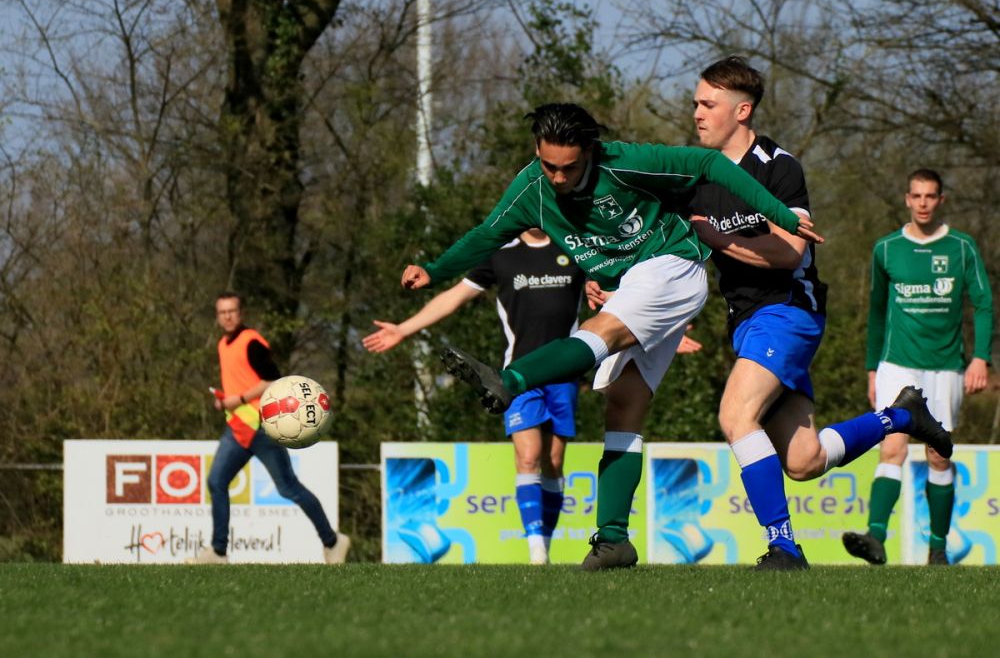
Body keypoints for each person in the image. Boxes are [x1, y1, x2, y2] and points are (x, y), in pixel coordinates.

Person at [398, 102, 824, 570]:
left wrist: (776, 212)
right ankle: (615, 539)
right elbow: (487, 235)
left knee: (598, 331)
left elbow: (706, 162)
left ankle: (512, 380)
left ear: (590, 153)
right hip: (633, 285)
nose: (558, 178)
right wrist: (435, 269)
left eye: (570, 168)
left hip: (672, 265)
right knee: (624, 402)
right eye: (548, 166)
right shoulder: (532, 190)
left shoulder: (623, 163)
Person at [620, 56, 952, 571]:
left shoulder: (778, 166)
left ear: (742, 110)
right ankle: (903, 415)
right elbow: (676, 258)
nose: (697, 114)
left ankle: (785, 547)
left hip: (789, 310)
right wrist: (626, 294)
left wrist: (719, 238)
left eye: (707, 104)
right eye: (695, 104)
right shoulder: (697, 178)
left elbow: (789, 252)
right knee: (803, 462)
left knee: (735, 415)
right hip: (746, 322)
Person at [364, 229, 585, 564]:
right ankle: (535, 549)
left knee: (554, 463)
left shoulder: (575, 245)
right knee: (528, 456)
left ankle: (546, 544)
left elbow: (611, 291)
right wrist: (403, 328)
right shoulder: (502, 254)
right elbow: (454, 297)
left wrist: (660, 323)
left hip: (565, 371)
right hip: (519, 374)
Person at [842, 168, 993, 566]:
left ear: (941, 200)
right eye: (917, 196)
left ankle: (938, 549)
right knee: (891, 446)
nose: (923, 203)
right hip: (897, 364)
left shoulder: (961, 247)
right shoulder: (887, 249)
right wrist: (872, 368)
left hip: (945, 368)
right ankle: (875, 539)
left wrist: (980, 357)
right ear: (907, 199)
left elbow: (983, 304)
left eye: (930, 196)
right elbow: (876, 314)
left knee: (938, 456)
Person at [186, 292, 351, 564]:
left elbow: (273, 379)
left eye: (232, 311)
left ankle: (333, 541)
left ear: (241, 313)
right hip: (238, 429)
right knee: (216, 482)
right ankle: (218, 551)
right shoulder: (222, 344)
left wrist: (237, 399)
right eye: (222, 312)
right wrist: (225, 401)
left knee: (288, 488)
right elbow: (240, 382)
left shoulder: (251, 342)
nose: (227, 316)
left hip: (263, 428)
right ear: (217, 317)